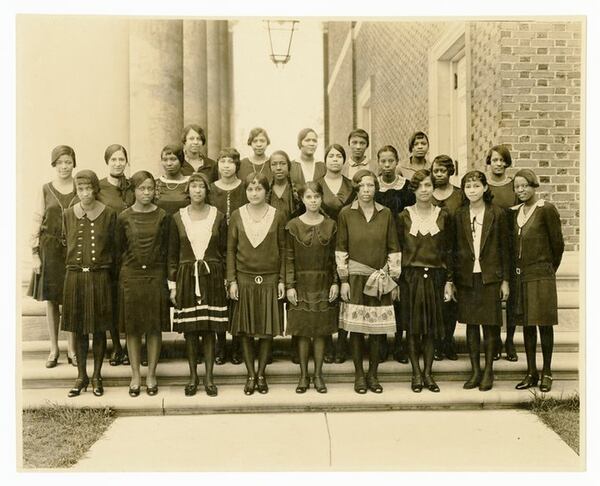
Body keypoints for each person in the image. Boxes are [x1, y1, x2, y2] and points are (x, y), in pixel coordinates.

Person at [336, 170, 400, 394]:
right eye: (362, 186)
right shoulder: (346, 214)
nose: (366, 190)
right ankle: (359, 375)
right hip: (354, 279)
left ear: (376, 188)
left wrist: (392, 279)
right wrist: (343, 280)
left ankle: (373, 374)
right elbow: (341, 249)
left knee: (376, 330)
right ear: (356, 188)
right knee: (356, 329)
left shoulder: (386, 213)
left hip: (379, 279)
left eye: (370, 186)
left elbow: (394, 248)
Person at [169, 172, 229, 397]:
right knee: (191, 332)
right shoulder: (177, 217)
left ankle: (210, 378)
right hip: (186, 277)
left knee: (209, 330)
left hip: (211, 276)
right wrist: (173, 285)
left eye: (201, 187)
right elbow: (172, 255)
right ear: (188, 190)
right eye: (193, 186)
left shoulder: (218, 216)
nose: (197, 190)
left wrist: (225, 280)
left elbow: (224, 252)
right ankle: (193, 376)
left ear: (207, 190)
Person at [227, 173, 286, 395]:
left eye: (258, 189)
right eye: (250, 189)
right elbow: (231, 250)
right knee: (245, 330)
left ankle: (261, 374)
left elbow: (283, 249)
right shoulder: (237, 215)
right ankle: (250, 374)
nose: (254, 193)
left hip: (270, 278)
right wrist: (231, 280)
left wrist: (282, 279)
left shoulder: (277, 215)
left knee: (266, 329)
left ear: (266, 191)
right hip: (244, 279)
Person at [397, 170, 454, 393]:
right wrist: (397, 281)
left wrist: (449, 281)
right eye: (419, 186)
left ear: (433, 188)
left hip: (436, 278)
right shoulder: (403, 216)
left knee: (430, 328)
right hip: (410, 278)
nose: (424, 190)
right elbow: (397, 250)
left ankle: (428, 373)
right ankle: (416, 373)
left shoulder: (443, 215)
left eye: (428, 185)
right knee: (412, 328)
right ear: (413, 189)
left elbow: (449, 250)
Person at [452, 170, 510, 391]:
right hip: (467, 276)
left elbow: (505, 248)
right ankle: (475, 370)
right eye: (468, 186)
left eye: (476, 186)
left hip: (490, 277)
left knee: (490, 325)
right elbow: (454, 249)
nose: (472, 190)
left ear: (485, 188)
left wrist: (505, 280)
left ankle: (488, 371)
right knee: (471, 325)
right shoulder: (459, 215)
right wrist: (453, 280)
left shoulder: (497, 213)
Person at [62, 170, 117, 397]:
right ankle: (81, 376)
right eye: (80, 189)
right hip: (75, 277)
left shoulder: (109, 214)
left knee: (98, 329)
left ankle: (97, 376)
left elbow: (115, 248)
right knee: (79, 330)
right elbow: (65, 244)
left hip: (99, 277)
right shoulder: (67, 214)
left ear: (96, 189)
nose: (85, 193)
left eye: (89, 188)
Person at [509, 169, 564, 393]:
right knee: (527, 326)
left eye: (525, 186)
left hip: (542, 276)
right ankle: (531, 372)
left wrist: (548, 269)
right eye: (517, 187)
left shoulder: (545, 210)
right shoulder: (515, 213)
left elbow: (557, 245)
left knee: (544, 325)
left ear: (534, 186)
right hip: (522, 276)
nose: (521, 190)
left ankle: (547, 371)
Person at [116, 171, 170, 397]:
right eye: (141, 189)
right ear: (134, 191)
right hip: (131, 276)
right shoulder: (124, 217)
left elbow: (168, 250)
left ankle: (152, 374)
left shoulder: (163, 216)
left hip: (156, 275)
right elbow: (118, 249)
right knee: (133, 327)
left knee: (154, 326)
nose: (146, 193)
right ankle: (136, 374)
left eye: (150, 188)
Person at [286, 181, 339, 393]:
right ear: (302, 199)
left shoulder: (331, 225)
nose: (313, 201)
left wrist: (336, 281)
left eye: (317, 196)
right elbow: (288, 257)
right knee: (302, 331)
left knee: (319, 331)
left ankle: (318, 374)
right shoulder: (292, 225)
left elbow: (336, 257)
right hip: (300, 282)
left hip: (323, 281)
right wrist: (290, 285)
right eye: (309, 197)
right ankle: (303, 376)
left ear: (321, 198)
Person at [28, 145, 78, 368]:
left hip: (74, 250)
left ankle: (72, 349)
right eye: (60, 163)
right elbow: (37, 221)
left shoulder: (81, 187)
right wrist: (35, 254)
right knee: (52, 300)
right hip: (50, 249)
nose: (64, 167)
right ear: (54, 165)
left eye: (68, 162)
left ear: (73, 164)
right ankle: (54, 349)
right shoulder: (45, 189)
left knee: (72, 299)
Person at [374, 144, 416, 364]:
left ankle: (400, 344)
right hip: (379, 245)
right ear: (378, 162)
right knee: (381, 292)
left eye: (391, 161)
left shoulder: (407, 188)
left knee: (401, 297)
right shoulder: (373, 187)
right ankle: (380, 342)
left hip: (403, 244)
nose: (387, 165)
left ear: (397, 161)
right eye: (383, 161)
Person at [208, 148, 248, 365]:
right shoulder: (211, 189)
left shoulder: (244, 188)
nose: (226, 166)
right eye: (222, 161)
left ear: (237, 165)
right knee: (219, 298)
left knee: (237, 297)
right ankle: (220, 344)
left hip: (240, 248)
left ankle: (237, 345)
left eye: (230, 162)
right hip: (215, 248)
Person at [316, 144, 355, 363]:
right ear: (325, 160)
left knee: (345, 291)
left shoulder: (351, 185)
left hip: (348, 241)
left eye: (339, 156)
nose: (335, 160)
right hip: (324, 240)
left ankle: (342, 343)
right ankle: (327, 344)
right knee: (326, 291)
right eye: (331, 156)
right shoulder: (318, 185)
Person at [97, 144, 133, 367]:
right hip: (108, 251)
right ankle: (117, 347)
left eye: (122, 159)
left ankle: (130, 347)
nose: (118, 163)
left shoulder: (132, 186)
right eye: (114, 160)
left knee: (127, 300)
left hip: (130, 251)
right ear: (107, 162)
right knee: (110, 299)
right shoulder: (99, 188)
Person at [486, 144, 519, 361]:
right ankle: (496, 340)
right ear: (489, 162)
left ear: (507, 163)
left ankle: (510, 341)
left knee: (513, 295)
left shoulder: (513, 185)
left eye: (502, 160)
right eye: (494, 160)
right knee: (493, 296)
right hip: (490, 245)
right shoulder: (484, 186)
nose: (498, 164)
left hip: (512, 243)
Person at [431, 154, 463, 361]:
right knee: (435, 299)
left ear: (450, 172)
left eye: (443, 170)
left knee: (451, 301)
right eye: (436, 171)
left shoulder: (460, 195)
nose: (439, 174)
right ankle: (436, 342)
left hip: (457, 253)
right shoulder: (427, 193)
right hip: (433, 253)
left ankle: (448, 340)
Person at [155, 143, 191, 216]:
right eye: (165, 160)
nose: (169, 163)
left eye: (173, 159)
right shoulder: (156, 184)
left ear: (181, 160)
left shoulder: (190, 183)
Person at [268, 150, 301, 223]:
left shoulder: (299, 191)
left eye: (283, 163)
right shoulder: (265, 191)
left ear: (288, 166)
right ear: (270, 168)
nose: (278, 168)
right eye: (274, 164)